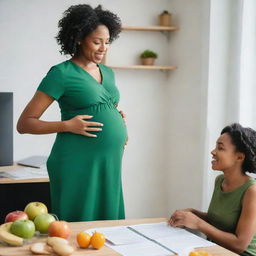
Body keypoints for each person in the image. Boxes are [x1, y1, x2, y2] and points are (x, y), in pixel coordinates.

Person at [17, 4, 128, 222]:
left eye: (107, 42)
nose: (103, 47)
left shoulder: (107, 72)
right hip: (76, 160)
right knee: (78, 224)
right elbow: (25, 124)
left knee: (108, 224)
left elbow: (102, 106)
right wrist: (67, 125)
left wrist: (117, 119)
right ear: (79, 38)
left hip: (109, 160)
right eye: (97, 41)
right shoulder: (61, 74)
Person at [169, 123, 256, 256]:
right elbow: (219, 221)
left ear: (239, 157)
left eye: (220, 148)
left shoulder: (251, 191)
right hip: (215, 249)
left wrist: (198, 223)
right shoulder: (220, 180)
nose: (213, 151)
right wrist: (193, 214)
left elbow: (239, 245)